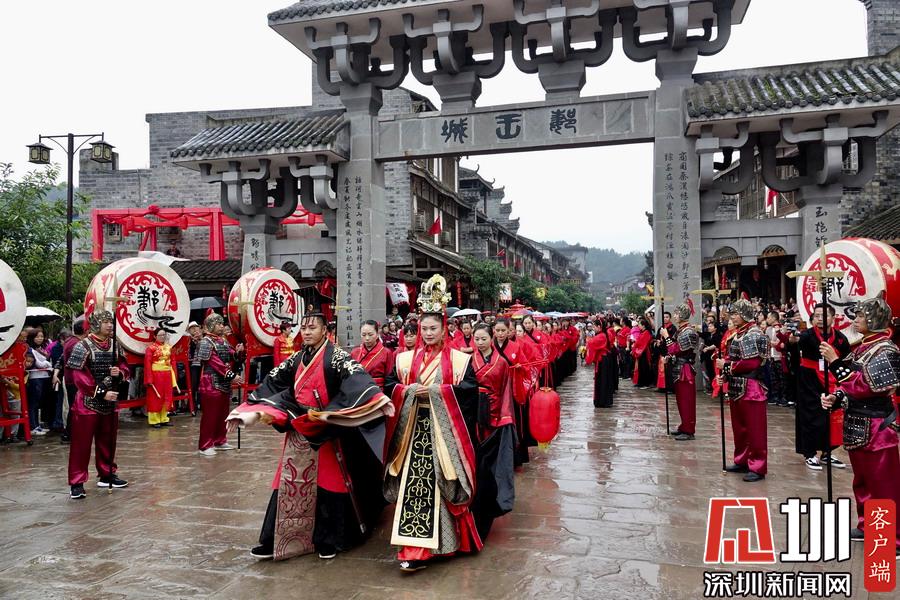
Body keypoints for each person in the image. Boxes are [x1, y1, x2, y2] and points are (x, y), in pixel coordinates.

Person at [226, 312, 392, 561]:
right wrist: (249, 410)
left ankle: (329, 539)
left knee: (329, 484)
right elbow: (273, 382)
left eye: (312, 328)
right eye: (303, 328)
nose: (306, 332)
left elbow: (358, 379)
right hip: (298, 428)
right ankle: (274, 539)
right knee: (287, 483)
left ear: (325, 330)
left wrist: (377, 399)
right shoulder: (295, 359)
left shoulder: (337, 357)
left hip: (325, 428)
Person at [383, 275, 481, 573]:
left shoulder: (459, 360)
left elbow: (469, 393)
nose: (427, 334)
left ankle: (446, 543)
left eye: (432, 328)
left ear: (444, 328)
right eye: (423, 329)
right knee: (413, 486)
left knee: (442, 481)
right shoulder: (403, 359)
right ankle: (414, 549)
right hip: (412, 430)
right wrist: (410, 391)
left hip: (443, 431)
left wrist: (438, 392)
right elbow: (390, 387)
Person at [822, 295, 900, 555]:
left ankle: (891, 537)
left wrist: (834, 362)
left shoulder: (886, 350)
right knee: (863, 481)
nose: (856, 320)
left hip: (878, 428)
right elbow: (850, 387)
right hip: (857, 423)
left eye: (861, 316)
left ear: (875, 320)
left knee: (883, 484)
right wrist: (836, 398)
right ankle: (867, 524)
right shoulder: (864, 347)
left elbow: (864, 386)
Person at [66, 310, 131, 499]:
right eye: (105, 322)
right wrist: (101, 393)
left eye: (111, 322)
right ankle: (77, 482)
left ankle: (107, 474)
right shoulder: (83, 346)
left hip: (110, 403)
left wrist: (120, 372)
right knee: (81, 445)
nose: (110, 325)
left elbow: (125, 366)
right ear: (95, 324)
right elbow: (78, 376)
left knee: (108, 441)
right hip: (87, 403)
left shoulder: (115, 345)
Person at [470, 322, 515, 539]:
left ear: (491, 338)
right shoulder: (468, 360)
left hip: (495, 414)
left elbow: (506, 390)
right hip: (473, 414)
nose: (480, 343)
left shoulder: (502, 362)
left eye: (484, 339)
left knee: (492, 462)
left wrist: (504, 416)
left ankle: (494, 497)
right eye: (476, 339)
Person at [792, 304, 850, 471]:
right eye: (816, 315)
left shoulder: (840, 338)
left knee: (831, 416)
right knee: (810, 416)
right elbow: (796, 352)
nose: (820, 319)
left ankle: (827, 452)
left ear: (833, 318)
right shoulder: (806, 336)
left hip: (831, 379)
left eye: (824, 315)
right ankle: (809, 453)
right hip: (809, 380)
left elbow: (845, 358)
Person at [717, 299, 769, 482]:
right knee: (739, 428)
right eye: (732, 313)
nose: (732, 317)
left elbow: (751, 363)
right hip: (736, 386)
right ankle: (742, 460)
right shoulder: (738, 334)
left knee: (755, 430)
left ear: (745, 314)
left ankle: (757, 466)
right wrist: (724, 375)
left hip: (752, 387)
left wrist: (726, 366)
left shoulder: (754, 334)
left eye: (736, 313)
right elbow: (732, 358)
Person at [196, 314, 244, 456]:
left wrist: (238, 352)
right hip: (210, 382)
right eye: (218, 324)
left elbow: (232, 356)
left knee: (223, 413)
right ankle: (205, 445)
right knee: (210, 416)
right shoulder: (205, 342)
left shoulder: (222, 341)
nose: (222, 326)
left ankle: (219, 440)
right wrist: (232, 376)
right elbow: (215, 363)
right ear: (211, 326)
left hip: (223, 382)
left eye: (222, 324)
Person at [492, 317, 535, 467]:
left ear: (508, 331)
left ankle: (515, 456)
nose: (500, 333)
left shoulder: (515, 347)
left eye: (503, 330)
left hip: (512, 390)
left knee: (513, 419)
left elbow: (527, 366)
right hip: (495, 389)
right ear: (493, 331)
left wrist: (520, 368)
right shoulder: (490, 346)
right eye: (497, 330)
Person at [662, 304, 699, 441]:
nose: (675, 316)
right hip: (679, 367)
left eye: (677, 313)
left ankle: (689, 430)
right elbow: (674, 352)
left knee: (687, 401)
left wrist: (666, 336)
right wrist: (669, 357)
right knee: (681, 401)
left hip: (685, 370)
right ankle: (684, 426)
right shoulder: (681, 331)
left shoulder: (688, 332)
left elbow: (675, 349)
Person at [143, 328, 178, 429]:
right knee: (155, 396)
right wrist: (149, 379)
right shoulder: (151, 348)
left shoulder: (169, 347)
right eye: (160, 335)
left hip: (167, 374)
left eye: (164, 335)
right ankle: (154, 420)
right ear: (155, 336)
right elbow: (148, 364)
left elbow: (173, 361)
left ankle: (164, 418)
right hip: (156, 375)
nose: (162, 337)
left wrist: (174, 375)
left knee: (167, 396)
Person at [350, 320, 394, 391]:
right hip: (358, 391)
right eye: (363, 335)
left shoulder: (386, 352)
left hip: (378, 391)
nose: (367, 338)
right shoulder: (354, 352)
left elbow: (389, 378)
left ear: (377, 334)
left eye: (370, 335)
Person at [585, 318, 612, 408]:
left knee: (603, 380)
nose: (593, 328)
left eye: (594, 327)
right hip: (602, 360)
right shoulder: (602, 335)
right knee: (602, 380)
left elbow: (592, 343)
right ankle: (601, 400)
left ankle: (603, 401)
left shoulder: (602, 336)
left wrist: (588, 341)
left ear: (599, 327)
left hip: (603, 361)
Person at [631, 318, 654, 388]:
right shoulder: (643, 332)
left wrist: (635, 348)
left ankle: (645, 383)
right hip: (641, 352)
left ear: (643, 325)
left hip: (644, 352)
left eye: (639, 324)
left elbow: (642, 343)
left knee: (644, 368)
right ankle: (640, 382)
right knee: (640, 368)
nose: (638, 326)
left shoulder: (646, 333)